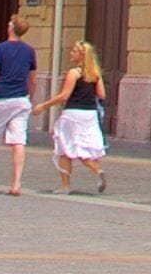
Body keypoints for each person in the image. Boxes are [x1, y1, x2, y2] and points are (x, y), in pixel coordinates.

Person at [0, 12, 40, 195]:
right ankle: (16, 184)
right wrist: (30, 98)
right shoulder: (29, 51)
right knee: (18, 141)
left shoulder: (0, 49)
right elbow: (33, 79)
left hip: (0, 100)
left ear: (11, 27)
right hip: (21, 100)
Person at [44, 39, 111, 195]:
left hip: (73, 114)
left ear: (81, 55)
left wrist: (44, 105)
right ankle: (97, 169)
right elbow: (101, 94)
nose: (70, 53)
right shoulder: (95, 73)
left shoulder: (74, 73)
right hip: (90, 114)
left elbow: (64, 95)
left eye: (74, 51)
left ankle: (65, 186)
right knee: (84, 147)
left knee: (65, 149)